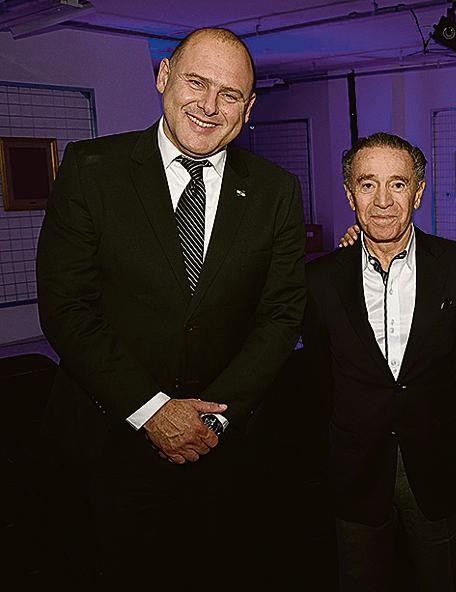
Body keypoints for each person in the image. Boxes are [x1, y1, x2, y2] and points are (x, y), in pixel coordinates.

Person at [35, 28, 306, 584]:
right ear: (163, 77)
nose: (209, 106)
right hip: (108, 446)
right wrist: (153, 411)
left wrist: (211, 418)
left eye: (229, 95)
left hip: (222, 451)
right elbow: (67, 307)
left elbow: (280, 317)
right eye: (196, 82)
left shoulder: (277, 190)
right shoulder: (91, 170)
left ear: (249, 107)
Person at [303, 132, 456, 591]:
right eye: (368, 185)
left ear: (419, 192)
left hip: (436, 471)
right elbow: (318, 381)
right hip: (355, 471)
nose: (383, 200)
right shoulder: (319, 280)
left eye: (398, 184)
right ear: (350, 195)